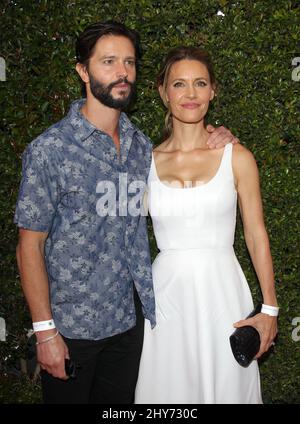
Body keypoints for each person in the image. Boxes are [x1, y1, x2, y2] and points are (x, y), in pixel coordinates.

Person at [14, 22, 238, 404]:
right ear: (83, 71)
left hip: (132, 328)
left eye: (129, 62)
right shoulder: (50, 149)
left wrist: (223, 137)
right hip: (71, 332)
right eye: (109, 62)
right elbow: (28, 246)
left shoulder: (141, 147)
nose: (122, 72)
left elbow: (189, 168)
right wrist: (45, 331)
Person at [135, 47, 278, 404]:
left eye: (200, 83)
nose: (190, 93)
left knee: (228, 386)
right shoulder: (142, 164)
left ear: (212, 91)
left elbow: (256, 234)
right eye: (179, 84)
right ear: (163, 92)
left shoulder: (237, 157)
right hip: (166, 298)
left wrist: (269, 309)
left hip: (223, 292)